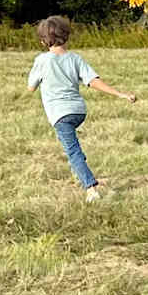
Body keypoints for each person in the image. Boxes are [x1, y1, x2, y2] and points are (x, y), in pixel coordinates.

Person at [27, 15, 135, 202]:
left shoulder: (42, 60)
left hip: (60, 115)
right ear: (66, 35)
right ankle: (85, 172)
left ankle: (90, 188)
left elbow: (30, 87)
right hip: (78, 111)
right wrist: (120, 94)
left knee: (72, 151)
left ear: (44, 40)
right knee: (73, 147)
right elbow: (93, 81)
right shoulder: (75, 58)